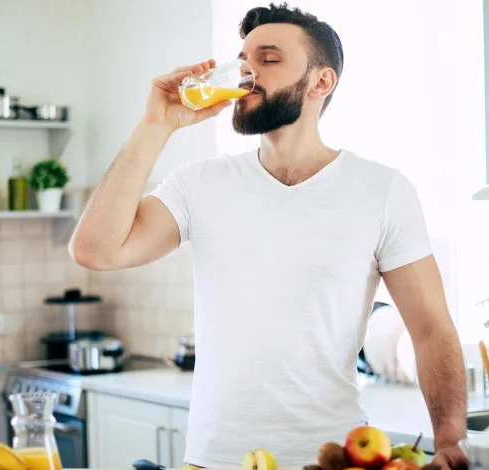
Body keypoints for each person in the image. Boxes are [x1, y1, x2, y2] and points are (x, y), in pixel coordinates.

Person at [70, 3, 468, 469]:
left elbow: (431, 329)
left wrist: (449, 439)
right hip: (213, 459)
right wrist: (156, 125)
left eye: (269, 59)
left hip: (332, 458)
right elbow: (95, 250)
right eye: (243, 59)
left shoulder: (382, 191)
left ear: (321, 82)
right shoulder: (199, 184)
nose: (246, 72)